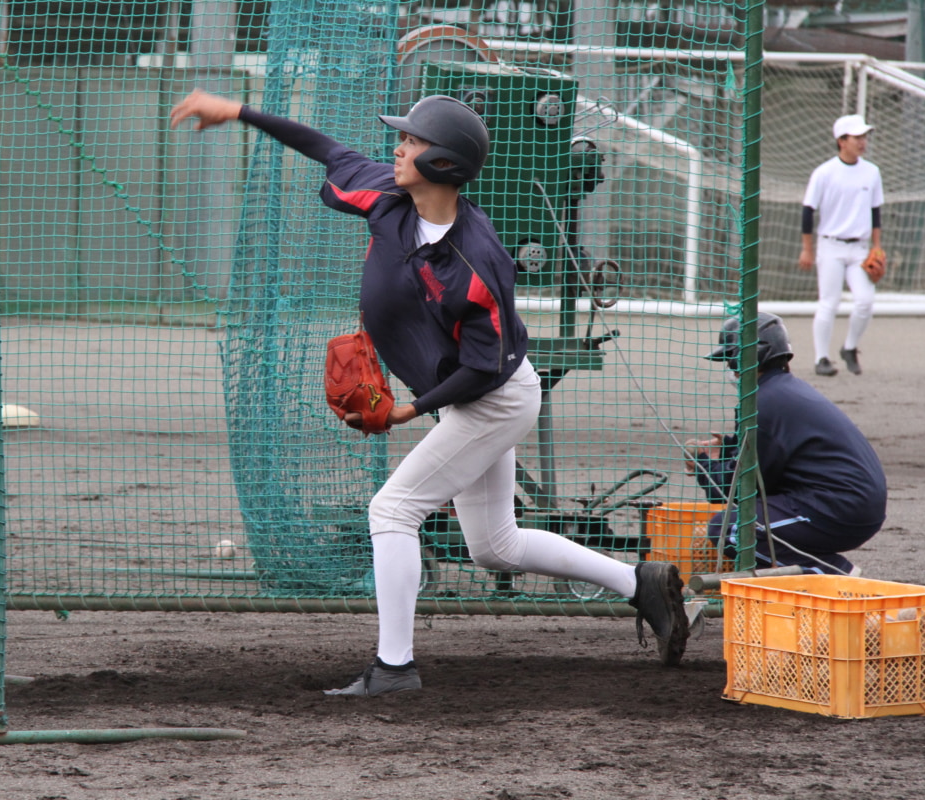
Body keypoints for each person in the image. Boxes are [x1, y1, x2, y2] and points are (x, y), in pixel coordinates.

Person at [170, 90, 690, 695]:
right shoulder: (391, 199)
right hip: (475, 398)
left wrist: (412, 410)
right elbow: (325, 149)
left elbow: (482, 370)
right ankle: (642, 585)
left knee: (392, 510)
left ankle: (393, 668)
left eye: (412, 141)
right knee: (496, 545)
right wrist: (237, 112)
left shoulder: (477, 260)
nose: (398, 146)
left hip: (493, 397)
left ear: (442, 164)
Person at [686, 312, 886, 576]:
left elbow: (739, 488)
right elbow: (771, 458)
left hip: (840, 506)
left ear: (753, 356)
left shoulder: (762, 403)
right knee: (747, 523)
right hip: (849, 502)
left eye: (732, 360)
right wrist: (726, 448)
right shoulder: (781, 391)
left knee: (730, 528)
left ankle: (836, 575)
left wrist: (702, 464)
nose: (731, 370)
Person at [798, 114, 885, 377]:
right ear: (841, 140)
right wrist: (807, 249)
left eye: (864, 137)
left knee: (865, 301)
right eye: (857, 137)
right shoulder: (824, 172)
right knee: (829, 302)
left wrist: (877, 247)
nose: (862, 142)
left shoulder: (872, 172)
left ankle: (849, 347)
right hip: (831, 246)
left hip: (859, 248)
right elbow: (807, 211)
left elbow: (876, 212)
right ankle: (821, 358)